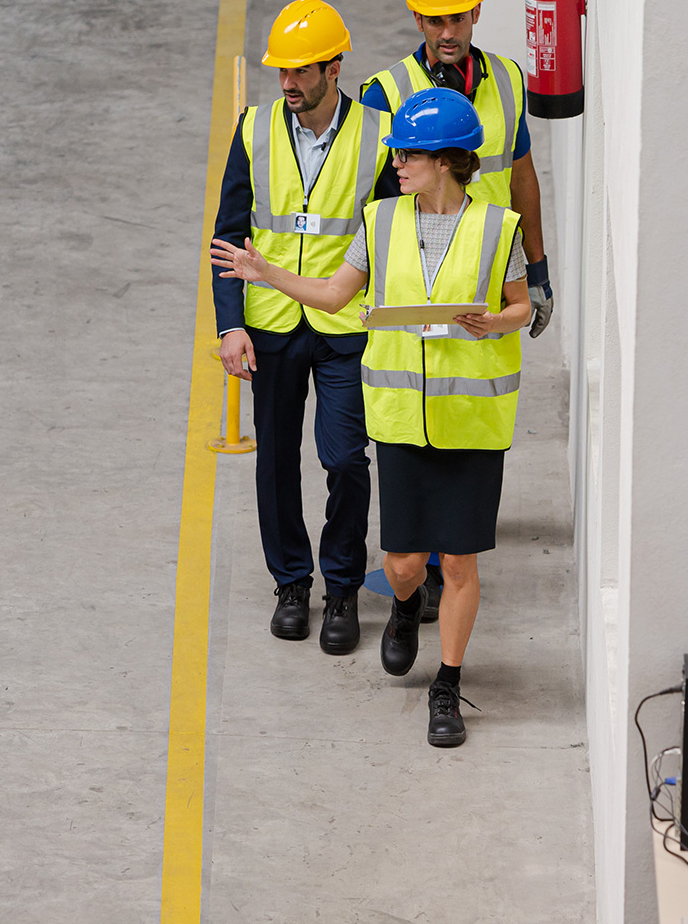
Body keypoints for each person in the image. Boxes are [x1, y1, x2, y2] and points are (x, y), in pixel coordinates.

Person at [211, 88, 531, 747]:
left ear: (445, 160)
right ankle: (407, 603)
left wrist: (495, 321)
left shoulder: (500, 227)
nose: (397, 163)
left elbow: (522, 305)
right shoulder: (381, 220)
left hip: (472, 423)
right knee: (406, 561)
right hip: (403, 423)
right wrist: (262, 271)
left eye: (408, 153)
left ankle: (448, 683)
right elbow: (333, 293)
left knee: (463, 564)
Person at [361, 0, 553, 619]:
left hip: (486, 286)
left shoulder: (506, 80)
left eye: (458, 15)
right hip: (421, 283)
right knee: (414, 427)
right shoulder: (386, 91)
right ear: (417, 16)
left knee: (467, 420)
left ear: (477, 11)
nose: (448, 30)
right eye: (434, 17)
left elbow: (522, 174)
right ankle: (414, 580)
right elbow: (384, 198)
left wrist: (537, 265)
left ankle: (446, 570)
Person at [211, 0, 400, 655]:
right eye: (281, 72)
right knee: (274, 463)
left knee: (346, 459)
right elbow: (227, 234)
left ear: (334, 66)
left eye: (301, 71)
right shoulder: (254, 128)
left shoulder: (378, 134)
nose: (288, 83)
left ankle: (342, 585)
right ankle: (292, 582)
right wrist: (230, 324)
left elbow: (388, 232)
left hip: (346, 321)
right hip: (269, 324)